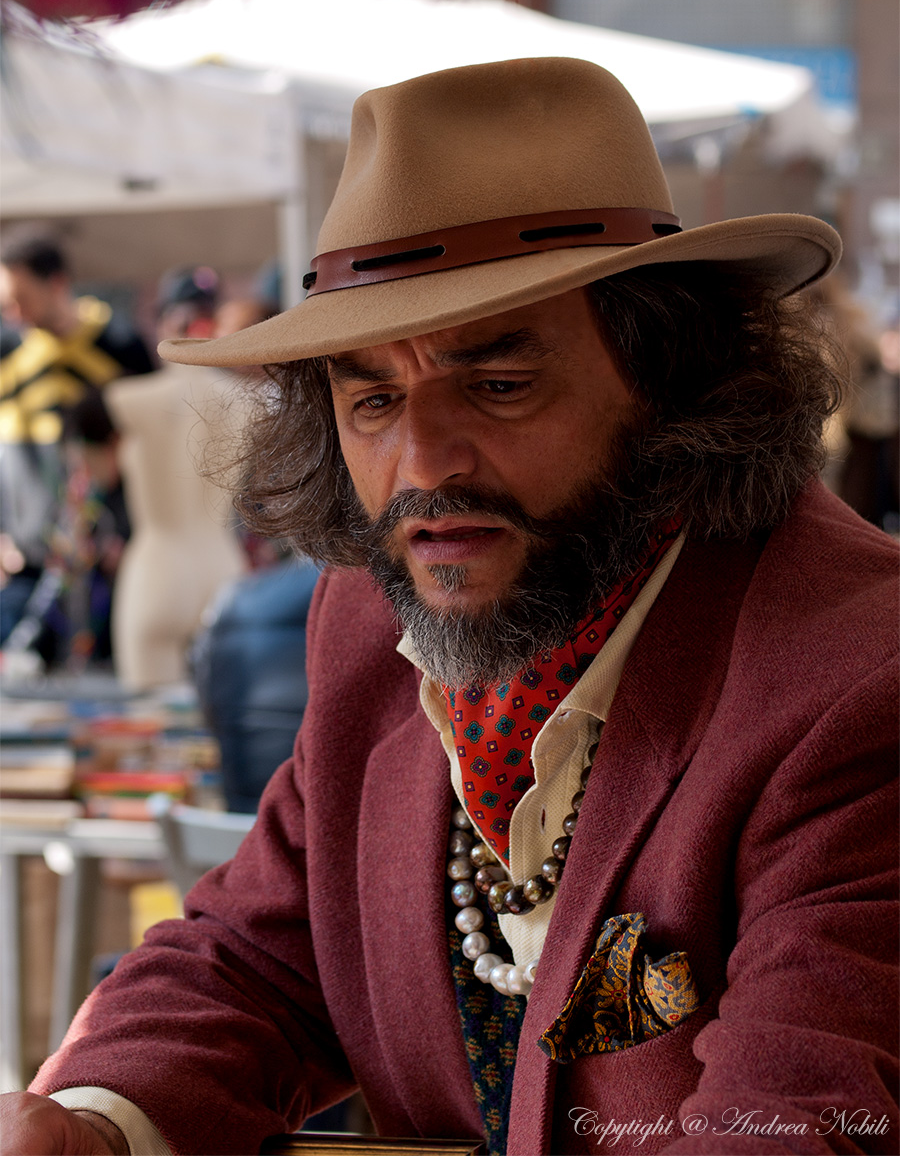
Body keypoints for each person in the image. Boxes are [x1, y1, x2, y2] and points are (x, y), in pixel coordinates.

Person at [2, 58, 896, 1156]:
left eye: (500, 384)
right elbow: (261, 955)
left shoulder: (860, 681)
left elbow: (810, 1117)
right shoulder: (375, 625)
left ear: (673, 374)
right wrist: (93, 1125)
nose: (424, 465)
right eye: (373, 398)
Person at [0, 235, 153, 653]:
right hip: (25, 558)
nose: (13, 313)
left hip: (103, 556)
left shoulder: (122, 347)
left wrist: (127, 529)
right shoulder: (7, 351)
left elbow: (146, 448)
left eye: (21, 299)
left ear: (57, 283)